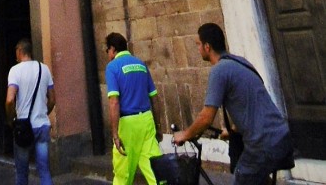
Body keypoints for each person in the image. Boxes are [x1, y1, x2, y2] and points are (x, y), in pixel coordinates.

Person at [172, 23, 294, 185]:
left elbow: (206, 117)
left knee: (243, 175)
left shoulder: (219, 70)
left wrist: (185, 134)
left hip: (263, 144)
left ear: (207, 47)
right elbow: (253, 102)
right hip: (280, 136)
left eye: (198, 44)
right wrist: (232, 130)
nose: (198, 49)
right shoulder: (241, 62)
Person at [105, 31, 163, 185]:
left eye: (107, 50)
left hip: (127, 125)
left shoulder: (112, 67)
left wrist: (115, 134)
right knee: (155, 171)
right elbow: (155, 98)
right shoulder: (141, 64)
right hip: (146, 120)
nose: (107, 54)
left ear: (112, 49)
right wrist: (158, 126)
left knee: (123, 174)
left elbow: (114, 102)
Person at [5, 38, 56, 185]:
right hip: (42, 126)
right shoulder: (44, 69)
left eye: (16, 52)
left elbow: (9, 100)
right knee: (44, 170)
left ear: (20, 51)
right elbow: (52, 98)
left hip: (24, 127)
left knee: (22, 172)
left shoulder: (15, 71)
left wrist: (11, 119)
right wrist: (44, 112)